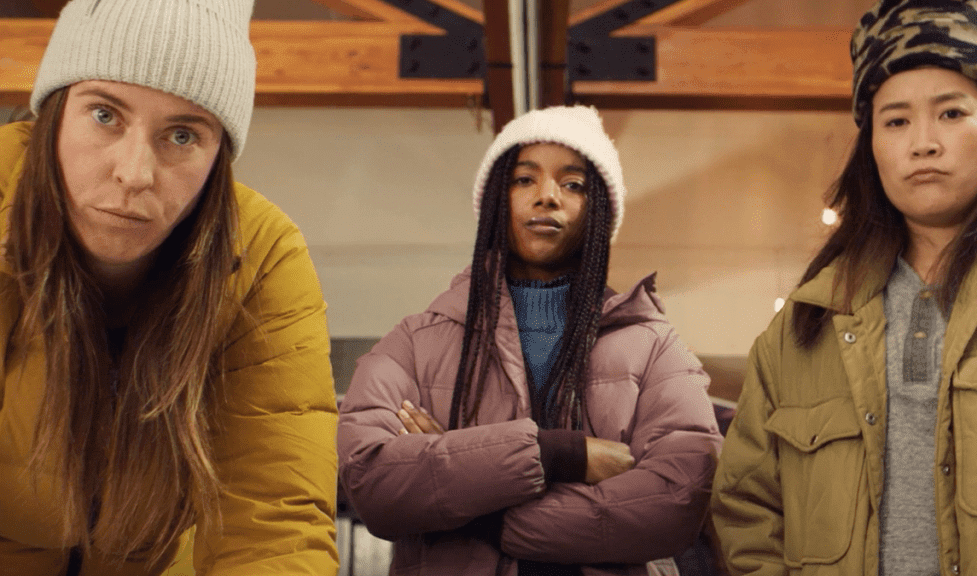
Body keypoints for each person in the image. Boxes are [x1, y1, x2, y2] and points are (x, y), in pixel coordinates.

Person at [0, 0, 339, 574]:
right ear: (53, 113)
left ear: (218, 155)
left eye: (182, 135)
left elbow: (273, 528)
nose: (134, 173)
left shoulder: (262, 258)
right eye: (104, 115)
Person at [336, 105, 722, 576]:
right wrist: (560, 455)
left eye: (573, 184)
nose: (547, 197)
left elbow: (677, 502)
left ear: (599, 211)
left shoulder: (656, 347)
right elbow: (371, 481)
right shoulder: (415, 343)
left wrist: (471, 496)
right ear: (497, 200)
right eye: (524, 179)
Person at [711, 0, 977, 573]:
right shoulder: (806, 324)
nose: (923, 142)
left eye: (952, 113)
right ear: (871, 144)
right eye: (896, 121)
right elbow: (746, 509)